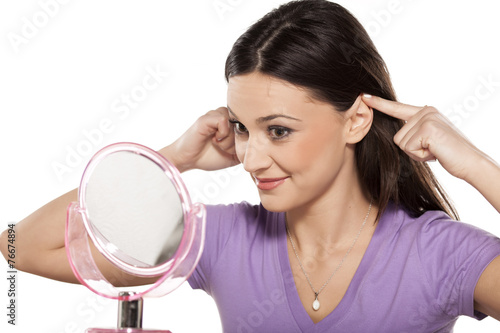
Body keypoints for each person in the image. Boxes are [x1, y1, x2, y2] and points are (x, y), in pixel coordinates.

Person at [1, 0, 500, 332]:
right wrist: (171, 160)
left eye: (278, 130)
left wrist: (477, 166)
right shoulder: (219, 237)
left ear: (356, 121)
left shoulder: (439, 253)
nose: (250, 158)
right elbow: (20, 247)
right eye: (242, 127)